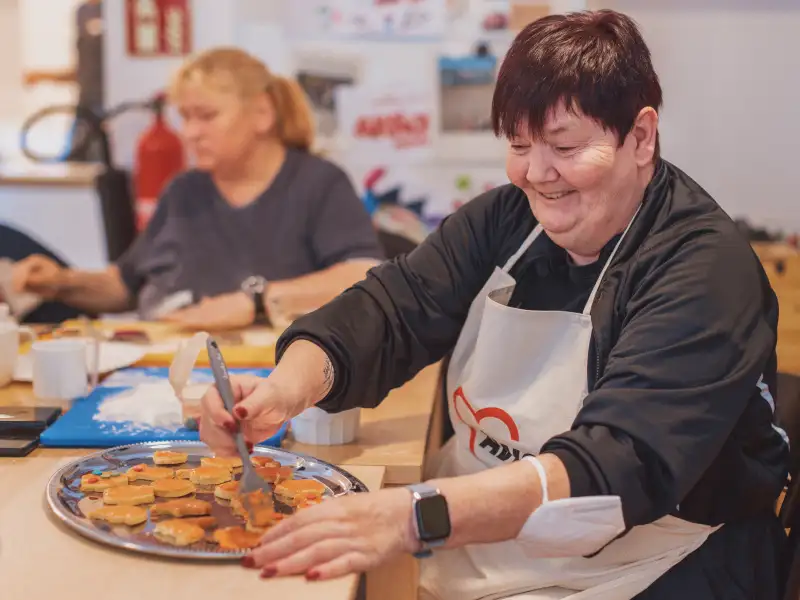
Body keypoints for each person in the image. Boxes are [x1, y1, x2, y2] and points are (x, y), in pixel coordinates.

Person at [199, 10, 788, 600]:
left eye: (564, 146)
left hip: (651, 563)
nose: (537, 175)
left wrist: (410, 517)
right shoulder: (507, 221)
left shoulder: (703, 267)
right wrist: (283, 389)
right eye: (519, 145)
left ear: (640, 136)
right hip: (483, 542)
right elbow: (390, 309)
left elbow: (619, 466)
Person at [13, 48, 383, 330]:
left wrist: (255, 302)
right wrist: (63, 282)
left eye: (206, 117)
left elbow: (363, 274)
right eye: (185, 117)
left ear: (262, 114)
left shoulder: (318, 182)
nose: (190, 133)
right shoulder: (183, 191)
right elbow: (125, 284)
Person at [24, 0, 105, 161]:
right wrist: (44, 76)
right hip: (85, 106)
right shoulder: (83, 12)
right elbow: (83, 71)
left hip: (105, 107)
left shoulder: (113, 12)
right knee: (77, 159)